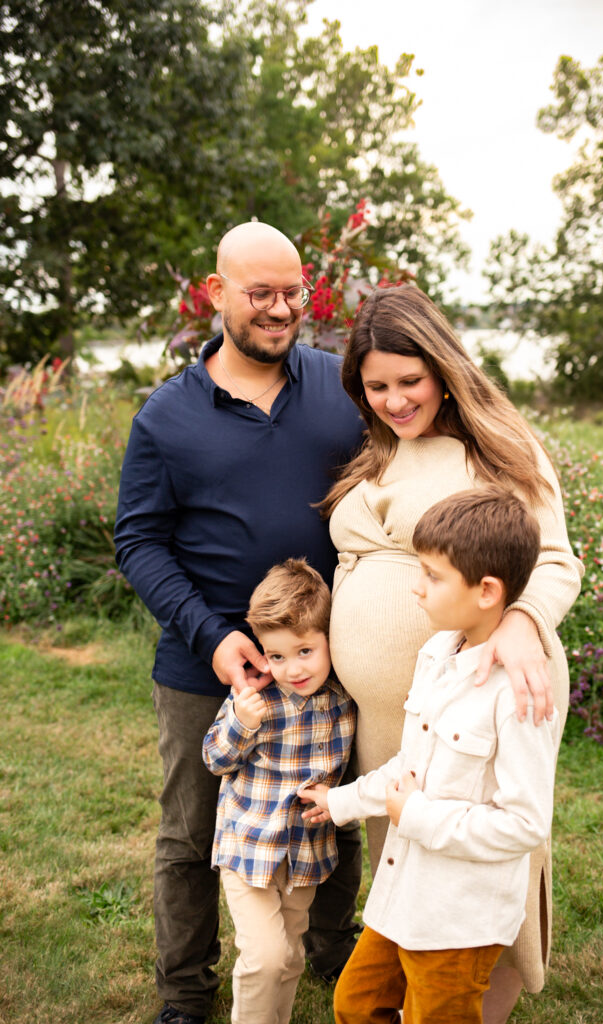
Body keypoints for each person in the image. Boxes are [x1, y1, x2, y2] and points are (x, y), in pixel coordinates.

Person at [114, 222, 365, 1024]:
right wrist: (212, 635)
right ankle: (185, 997)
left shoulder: (339, 386)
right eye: (261, 293)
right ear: (215, 293)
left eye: (294, 292)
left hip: (329, 660)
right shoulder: (166, 416)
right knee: (189, 837)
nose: (282, 309)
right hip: (204, 667)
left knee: (334, 815)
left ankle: (332, 953)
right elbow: (138, 540)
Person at [319, 285, 584, 1023]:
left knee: (480, 864)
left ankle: (476, 1004)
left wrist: (524, 619)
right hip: (396, 710)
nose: (395, 400)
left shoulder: (499, 447)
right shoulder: (383, 449)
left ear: (443, 368)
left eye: (410, 381)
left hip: (485, 692)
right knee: (408, 858)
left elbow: (556, 559)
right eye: (376, 387)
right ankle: (419, 996)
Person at [299, 487, 563, 1024]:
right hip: (403, 895)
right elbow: (410, 766)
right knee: (357, 1002)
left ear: (487, 591)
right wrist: (342, 801)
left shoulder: (517, 697)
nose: (416, 587)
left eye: (432, 576)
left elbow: (524, 824)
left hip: (458, 916)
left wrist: (416, 816)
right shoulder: (437, 653)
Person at [202, 558, 356, 1024]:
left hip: (305, 854)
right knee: (265, 957)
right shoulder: (255, 700)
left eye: (305, 650)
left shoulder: (343, 700)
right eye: (277, 656)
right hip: (249, 848)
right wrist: (241, 722)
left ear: (329, 639)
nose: (293, 669)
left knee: (288, 956)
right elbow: (215, 759)